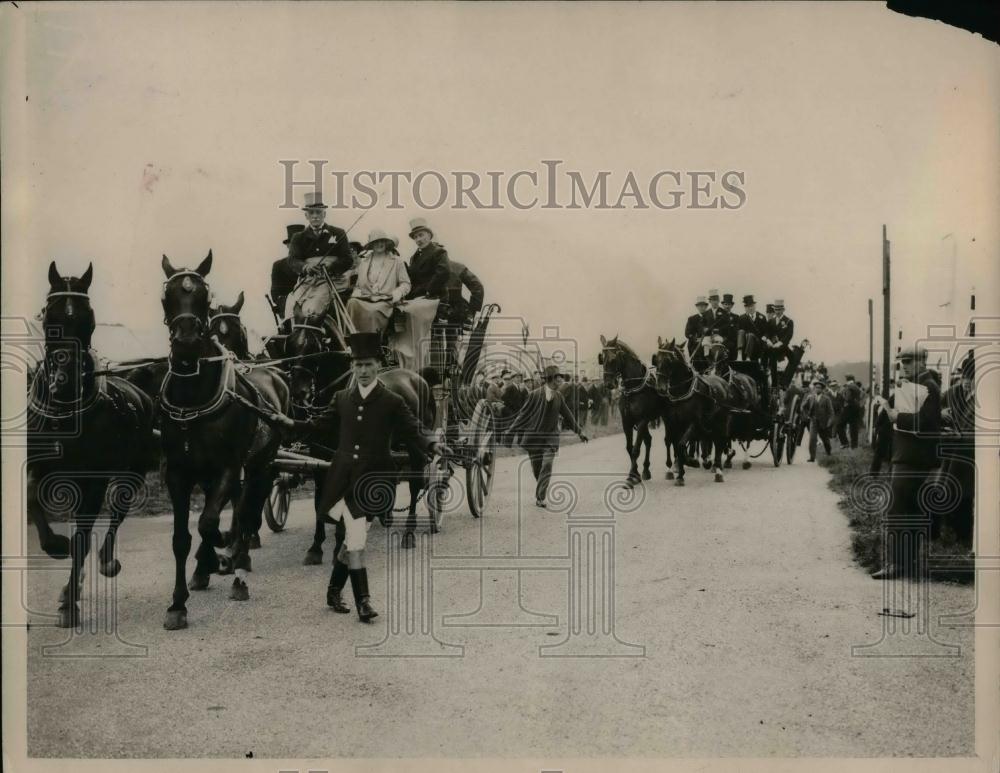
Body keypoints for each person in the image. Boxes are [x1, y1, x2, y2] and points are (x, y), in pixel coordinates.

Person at [263, 332, 448, 621]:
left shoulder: (392, 401)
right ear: (353, 367)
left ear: (378, 366)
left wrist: (433, 444)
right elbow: (317, 426)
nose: (363, 371)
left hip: (375, 481)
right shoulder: (341, 399)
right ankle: (363, 601)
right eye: (358, 365)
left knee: (352, 539)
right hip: (343, 479)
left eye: (369, 365)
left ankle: (334, 589)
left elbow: (414, 430)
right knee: (356, 537)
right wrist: (290, 422)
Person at [869, 345, 943, 579]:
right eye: (903, 361)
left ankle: (898, 564)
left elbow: (927, 423)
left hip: (912, 458)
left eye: (910, 361)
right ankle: (905, 563)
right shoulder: (917, 386)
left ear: (922, 361)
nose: (905, 366)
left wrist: (896, 416)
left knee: (898, 512)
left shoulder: (928, 386)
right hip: (907, 456)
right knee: (907, 512)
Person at [507, 364, 588, 508]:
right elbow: (522, 415)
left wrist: (580, 432)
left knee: (547, 464)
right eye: (559, 378)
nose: (561, 381)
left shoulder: (559, 396)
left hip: (550, 438)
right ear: (551, 379)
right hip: (533, 437)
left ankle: (540, 497)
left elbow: (568, 415)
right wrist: (511, 431)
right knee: (537, 468)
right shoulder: (534, 395)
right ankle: (541, 487)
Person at [283, 191, 355, 325]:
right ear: (306, 216)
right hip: (307, 282)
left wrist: (331, 266)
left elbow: (348, 259)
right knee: (291, 304)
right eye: (311, 213)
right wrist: (306, 267)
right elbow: (292, 260)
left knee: (313, 307)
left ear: (324, 214)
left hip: (332, 280)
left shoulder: (338, 233)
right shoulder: (298, 237)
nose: (315, 216)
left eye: (318, 212)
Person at [345, 229, 411, 338]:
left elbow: (406, 284)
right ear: (371, 245)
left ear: (386, 243)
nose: (380, 244)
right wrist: (356, 292)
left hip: (385, 300)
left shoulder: (397, 261)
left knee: (373, 312)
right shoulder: (364, 262)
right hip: (366, 298)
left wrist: (398, 292)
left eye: (382, 241)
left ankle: (373, 345)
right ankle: (352, 341)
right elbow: (358, 285)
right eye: (376, 242)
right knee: (352, 303)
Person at [270, 224, 307, 317]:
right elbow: (275, 293)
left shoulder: (312, 263)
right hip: (289, 309)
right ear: (288, 246)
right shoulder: (278, 265)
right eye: (293, 244)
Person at [764, 299, 794, 388]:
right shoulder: (771, 321)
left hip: (783, 347)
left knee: (791, 359)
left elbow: (789, 335)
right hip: (772, 346)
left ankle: (777, 384)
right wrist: (767, 340)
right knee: (766, 352)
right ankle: (765, 370)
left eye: (779, 310)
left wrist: (780, 343)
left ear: (783, 310)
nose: (777, 312)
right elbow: (767, 332)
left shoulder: (789, 321)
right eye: (776, 310)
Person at [805, 379, 835, 461]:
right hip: (813, 421)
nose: (817, 389)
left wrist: (829, 422)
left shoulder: (826, 399)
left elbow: (831, 412)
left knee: (825, 440)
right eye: (816, 387)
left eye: (819, 388)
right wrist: (807, 415)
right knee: (812, 439)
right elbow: (804, 406)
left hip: (823, 422)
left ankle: (828, 453)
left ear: (822, 389)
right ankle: (812, 457)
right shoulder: (811, 397)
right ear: (814, 388)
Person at [684, 296, 712, 372]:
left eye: (703, 305)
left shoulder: (710, 318)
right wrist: (695, 338)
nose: (702, 307)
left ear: (706, 306)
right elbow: (687, 333)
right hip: (695, 344)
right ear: (697, 307)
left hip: (707, 342)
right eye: (700, 306)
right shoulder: (692, 319)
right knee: (697, 359)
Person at [737, 294, 767, 362]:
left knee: (750, 335)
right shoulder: (742, 318)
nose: (750, 308)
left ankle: (748, 357)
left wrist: (765, 336)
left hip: (758, 343)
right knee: (741, 331)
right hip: (745, 342)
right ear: (745, 308)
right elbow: (739, 333)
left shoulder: (762, 317)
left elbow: (766, 331)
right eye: (748, 306)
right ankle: (739, 355)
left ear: (755, 305)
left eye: (752, 306)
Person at [839, 375, 864, 449]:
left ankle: (845, 442)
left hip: (849, 407)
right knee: (853, 427)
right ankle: (854, 445)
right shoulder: (856, 387)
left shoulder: (849, 387)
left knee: (839, 425)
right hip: (856, 407)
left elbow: (848, 398)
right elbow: (860, 396)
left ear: (847, 379)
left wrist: (843, 397)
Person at [713, 293, 739, 358]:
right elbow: (716, 328)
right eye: (725, 304)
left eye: (729, 304)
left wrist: (727, 338)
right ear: (723, 305)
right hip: (720, 339)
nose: (727, 306)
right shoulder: (718, 316)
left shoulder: (735, 317)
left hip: (731, 340)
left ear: (732, 305)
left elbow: (735, 330)